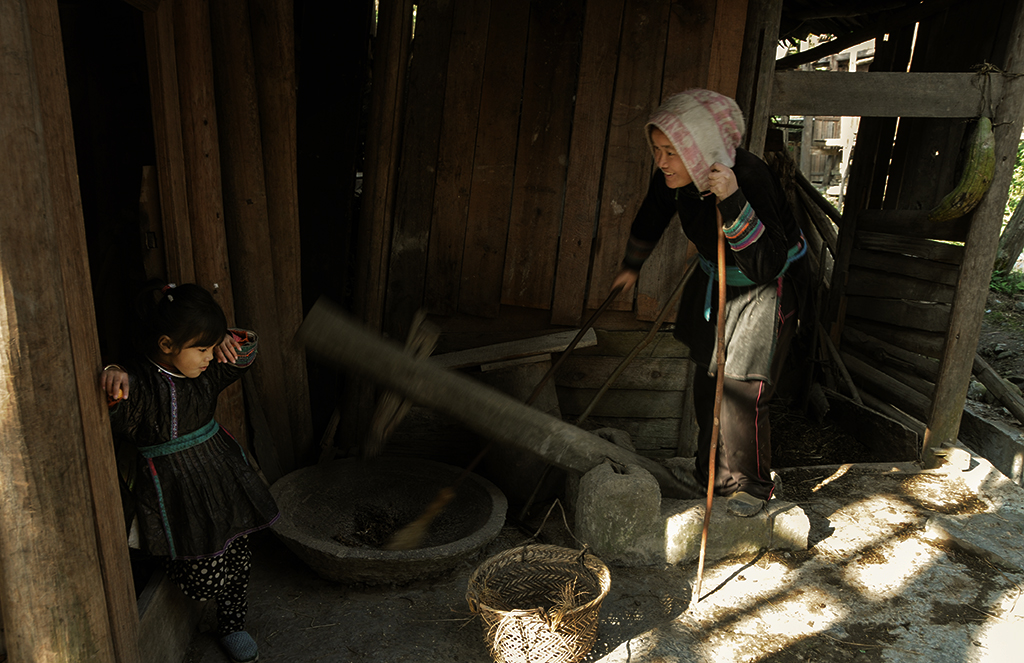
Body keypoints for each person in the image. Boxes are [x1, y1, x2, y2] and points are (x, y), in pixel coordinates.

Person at [611, 89, 806, 518]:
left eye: (670, 152)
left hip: (762, 289)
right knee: (706, 384)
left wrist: (732, 199)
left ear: (700, 149)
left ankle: (751, 487)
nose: (661, 161)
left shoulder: (750, 176)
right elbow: (653, 212)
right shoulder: (675, 177)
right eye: (657, 150)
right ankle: (712, 477)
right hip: (713, 282)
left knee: (739, 389)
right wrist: (631, 265)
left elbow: (765, 264)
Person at [100, 283, 278, 663]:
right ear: (166, 345)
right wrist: (111, 375)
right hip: (174, 486)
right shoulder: (140, 385)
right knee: (204, 580)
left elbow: (245, 356)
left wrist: (231, 340)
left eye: (212, 348)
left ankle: (232, 625)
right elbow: (114, 408)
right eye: (202, 348)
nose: (210, 357)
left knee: (238, 556)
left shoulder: (207, 371)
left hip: (219, 471)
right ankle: (164, 557)